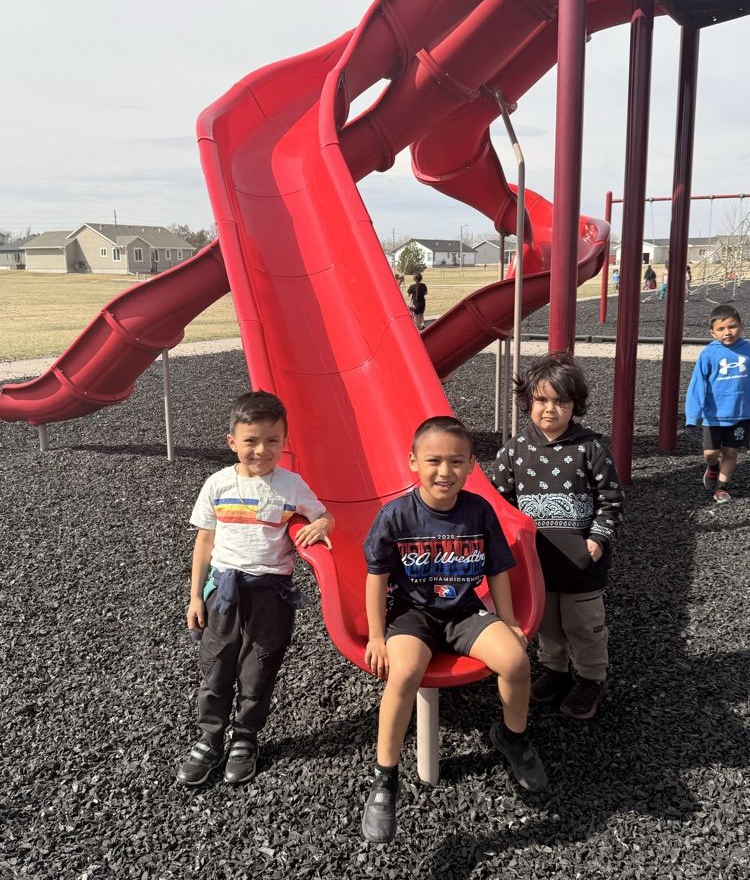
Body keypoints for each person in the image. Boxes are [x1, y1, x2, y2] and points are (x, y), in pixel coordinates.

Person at [361, 416, 547, 843]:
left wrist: (508, 620)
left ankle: (512, 737)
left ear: (470, 465)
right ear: (413, 462)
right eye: (433, 460)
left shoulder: (478, 511)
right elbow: (376, 577)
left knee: (516, 660)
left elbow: (498, 569)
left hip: (464, 611)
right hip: (413, 614)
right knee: (404, 673)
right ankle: (385, 778)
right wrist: (376, 635)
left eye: (456, 462)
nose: (444, 471)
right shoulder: (397, 516)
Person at [177, 390, 334, 786]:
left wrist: (322, 525)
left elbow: (325, 515)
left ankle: (245, 738)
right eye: (250, 440)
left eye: (272, 440)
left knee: (258, 669)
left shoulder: (292, 485)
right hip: (224, 590)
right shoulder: (217, 484)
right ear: (233, 442)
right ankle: (211, 738)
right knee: (216, 666)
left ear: (284, 441)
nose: (261, 450)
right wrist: (196, 596)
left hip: (271, 592)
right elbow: (205, 543)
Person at [493, 352, 624, 721]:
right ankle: (555, 668)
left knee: (583, 623)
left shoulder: (591, 448)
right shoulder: (514, 451)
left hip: (583, 559)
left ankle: (590, 677)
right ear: (528, 402)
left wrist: (597, 538)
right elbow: (500, 502)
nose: (550, 409)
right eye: (541, 400)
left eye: (560, 401)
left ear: (575, 405)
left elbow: (612, 499)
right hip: (535, 561)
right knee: (546, 620)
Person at [685, 305, 750, 504]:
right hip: (714, 415)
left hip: (741, 414)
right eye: (721, 329)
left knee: (731, 452)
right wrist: (692, 414)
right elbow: (697, 384)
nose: (727, 332)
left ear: (742, 326)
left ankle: (722, 488)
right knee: (711, 453)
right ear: (712, 333)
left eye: (732, 327)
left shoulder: (748, 350)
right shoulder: (709, 354)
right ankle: (712, 467)